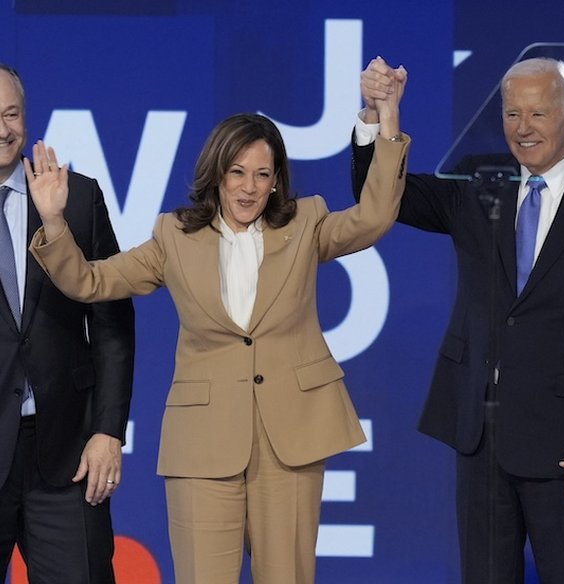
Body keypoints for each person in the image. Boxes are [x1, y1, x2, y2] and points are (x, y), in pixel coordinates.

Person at [24, 75, 409, 582]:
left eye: (262, 174)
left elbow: (376, 216)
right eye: (237, 172)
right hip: (202, 446)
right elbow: (91, 282)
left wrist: (385, 115)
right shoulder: (174, 237)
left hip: (289, 441)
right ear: (217, 175)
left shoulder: (307, 224)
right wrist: (53, 222)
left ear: (276, 181)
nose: (249, 187)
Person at [354, 57, 564, 583]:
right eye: (512, 113)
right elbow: (382, 196)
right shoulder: (479, 185)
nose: (523, 127)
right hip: (482, 435)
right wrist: (380, 116)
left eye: (538, 113)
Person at [0, 64, 135, 584]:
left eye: (12, 114)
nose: (3, 128)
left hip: (68, 454)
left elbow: (112, 324)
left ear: (27, 120)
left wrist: (107, 431)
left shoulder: (76, 198)